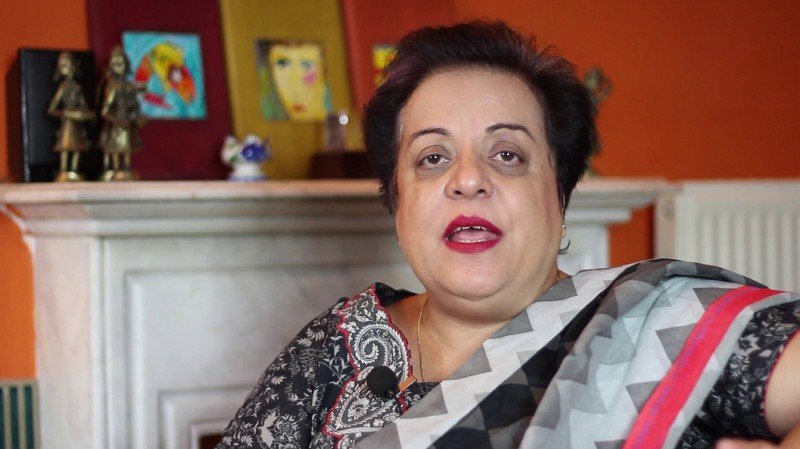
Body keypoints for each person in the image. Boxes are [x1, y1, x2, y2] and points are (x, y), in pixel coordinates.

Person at [217, 21, 800, 449]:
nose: (468, 179)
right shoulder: (336, 346)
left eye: (507, 154)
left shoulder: (658, 324)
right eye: (432, 157)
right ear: (398, 205)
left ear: (559, 195)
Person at [98, 46, 146, 181]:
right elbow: (105, 111)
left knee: (127, 148)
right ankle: (116, 168)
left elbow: (135, 106)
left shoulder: (130, 87)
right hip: (116, 124)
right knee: (115, 148)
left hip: (128, 123)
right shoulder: (112, 86)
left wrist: (137, 117)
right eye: (115, 63)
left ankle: (126, 168)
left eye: (121, 62)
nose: (118, 66)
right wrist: (117, 120)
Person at [47, 51, 95, 182]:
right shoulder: (63, 87)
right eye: (63, 66)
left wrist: (84, 113)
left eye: (68, 65)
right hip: (67, 123)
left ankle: (74, 169)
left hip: (76, 123)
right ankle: (64, 169)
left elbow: (83, 105)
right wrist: (65, 113)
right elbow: (52, 108)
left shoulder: (77, 87)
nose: (67, 69)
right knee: (65, 146)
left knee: (77, 146)